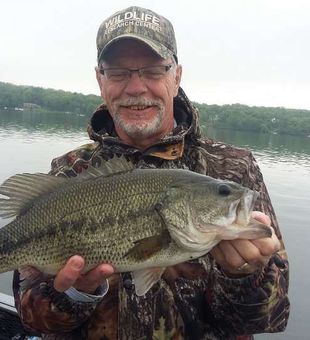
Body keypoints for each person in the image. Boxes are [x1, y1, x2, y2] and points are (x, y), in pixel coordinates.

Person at [13, 6, 290, 340]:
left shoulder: (233, 169)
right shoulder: (69, 172)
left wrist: (244, 277)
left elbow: (269, 320)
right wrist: (76, 293)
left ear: (177, 76)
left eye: (154, 71)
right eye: (118, 73)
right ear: (100, 81)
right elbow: (32, 318)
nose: (136, 87)